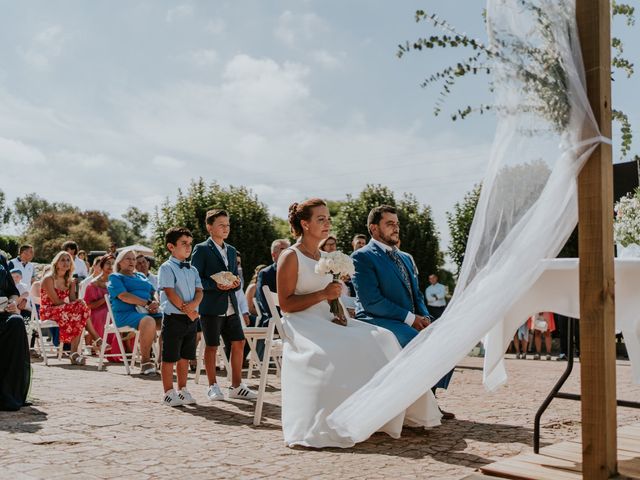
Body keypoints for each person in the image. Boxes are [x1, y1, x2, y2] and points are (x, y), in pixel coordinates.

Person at [277, 199, 441, 448]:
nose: (327, 223)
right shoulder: (290, 256)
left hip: (329, 318)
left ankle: (385, 411)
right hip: (304, 323)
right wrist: (323, 296)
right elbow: (286, 304)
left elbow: (332, 297)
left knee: (383, 337)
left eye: (328, 218)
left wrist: (340, 312)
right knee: (351, 345)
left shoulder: (326, 256)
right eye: (320, 219)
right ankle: (349, 416)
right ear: (305, 224)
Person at [352, 205, 454, 419]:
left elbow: (416, 293)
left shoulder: (405, 258)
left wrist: (425, 317)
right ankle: (412, 405)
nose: (396, 228)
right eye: (389, 224)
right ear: (374, 228)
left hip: (409, 317)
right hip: (376, 317)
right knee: (416, 341)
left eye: (397, 224)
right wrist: (410, 319)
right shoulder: (362, 257)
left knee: (446, 338)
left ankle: (429, 399)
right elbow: (372, 301)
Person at [191, 209, 257, 401]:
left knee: (239, 342)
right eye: (221, 225)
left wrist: (236, 282)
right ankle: (212, 386)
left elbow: (233, 275)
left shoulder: (230, 250)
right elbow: (195, 279)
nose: (226, 228)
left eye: (228, 225)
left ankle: (236, 386)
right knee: (211, 346)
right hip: (210, 306)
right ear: (209, 227)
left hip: (231, 304)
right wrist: (215, 284)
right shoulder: (201, 249)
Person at [157, 227, 203, 407]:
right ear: (171, 246)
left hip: (191, 318)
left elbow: (200, 291)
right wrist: (188, 309)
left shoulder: (193, 270)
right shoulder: (166, 267)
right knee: (169, 356)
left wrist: (194, 306)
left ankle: (183, 389)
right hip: (174, 317)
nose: (188, 247)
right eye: (183, 243)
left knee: (185, 356)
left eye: (190, 244)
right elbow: (169, 292)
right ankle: (168, 392)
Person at [107, 249, 161, 374]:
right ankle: (145, 362)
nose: (132, 261)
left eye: (133, 258)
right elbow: (124, 296)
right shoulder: (116, 277)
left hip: (147, 312)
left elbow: (153, 293)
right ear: (119, 262)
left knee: (170, 321)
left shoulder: (141, 275)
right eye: (128, 258)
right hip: (126, 314)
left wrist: (155, 303)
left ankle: (162, 360)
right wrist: (147, 304)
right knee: (148, 321)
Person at [40, 251, 91, 365]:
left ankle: (74, 353)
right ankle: (94, 340)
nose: (65, 263)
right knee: (80, 312)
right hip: (49, 311)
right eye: (62, 260)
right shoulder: (48, 279)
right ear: (56, 263)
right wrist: (74, 305)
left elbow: (72, 299)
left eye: (68, 260)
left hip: (64, 310)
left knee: (81, 309)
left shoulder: (70, 280)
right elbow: (56, 302)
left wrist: (78, 301)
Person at [0, 254, 30, 411]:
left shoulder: (1, 258)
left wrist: (12, 302)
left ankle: (9, 393)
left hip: (1, 312)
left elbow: (12, 291)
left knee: (17, 322)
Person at [83, 255, 116, 355]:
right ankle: (102, 344)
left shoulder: (117, 281)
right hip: (97, 311)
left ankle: (122, 348)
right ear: (102, 265)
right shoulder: (93, 284)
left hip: (115, 309)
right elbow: (88, 306)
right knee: (104, 314)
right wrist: (105, 298)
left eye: (113, 263)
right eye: (108, 263)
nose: (111, 266)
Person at [255, 239, 290, 327]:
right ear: (273, 255)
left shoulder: (296, 272)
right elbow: (265, 303)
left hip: (295, 318)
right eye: (283, 250)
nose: (287, 253)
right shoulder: (265, 274)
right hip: (274, 321)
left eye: (289, 250)